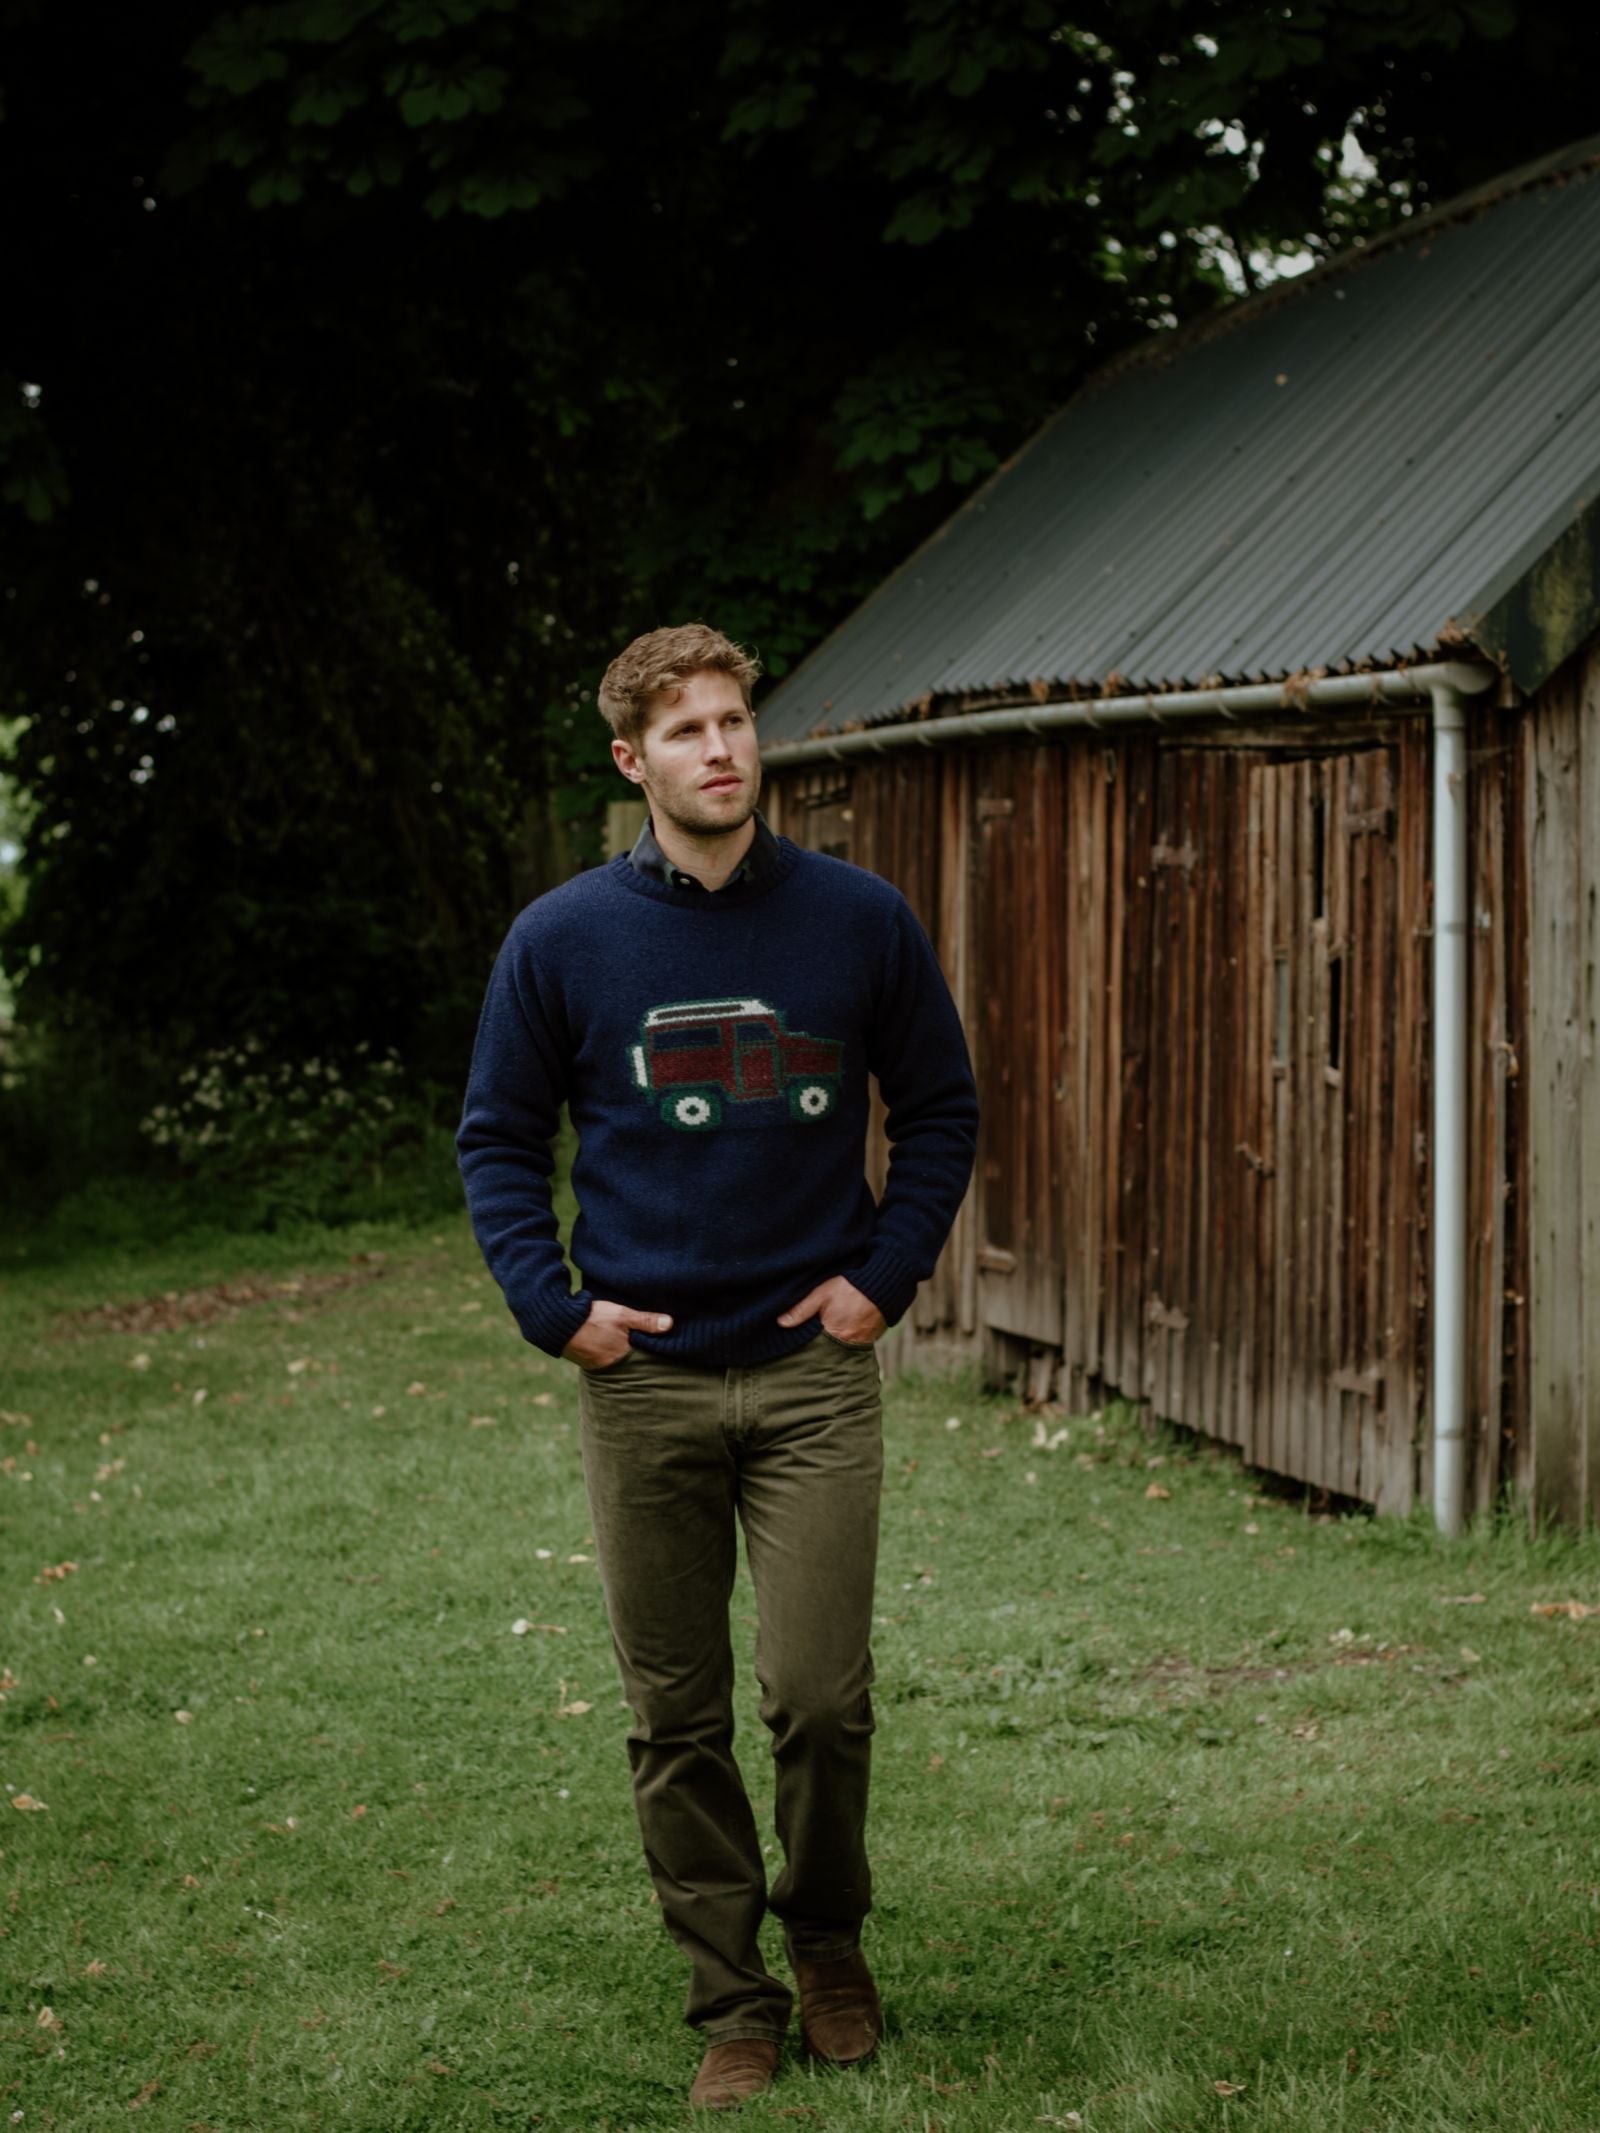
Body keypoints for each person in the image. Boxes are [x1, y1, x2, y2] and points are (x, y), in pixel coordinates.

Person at [457, 621, 978, 2111]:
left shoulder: (857, 918)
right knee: (671, 1711)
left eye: (736, 720)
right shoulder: (561, 939)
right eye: (685, 730)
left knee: (819, 1692)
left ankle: (826, 1941)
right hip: (645, 1383)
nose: (722, 748)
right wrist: (555, 1310)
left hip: (813, 1371)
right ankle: (731, 1996)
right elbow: (497, 1135)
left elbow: (939, 1108)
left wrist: (882, 1283)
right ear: (634, 760)